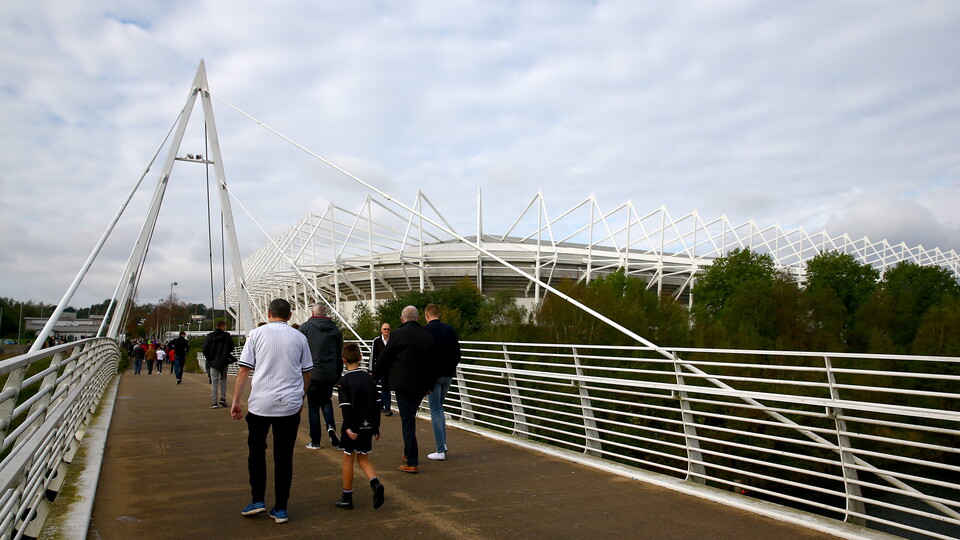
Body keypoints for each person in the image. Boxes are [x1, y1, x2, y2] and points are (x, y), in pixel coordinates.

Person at [231, 298, 312, 525]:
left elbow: (244, 370)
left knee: (256, 452)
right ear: (289, 315)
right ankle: (281, 508)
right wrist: (300, 398)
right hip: (289, 405)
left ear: (268, 313)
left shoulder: (256, 335)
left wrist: (236, 401)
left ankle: (257, 500)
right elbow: (307, 373)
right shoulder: (300, 337)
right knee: (284, 457)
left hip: (260, 405)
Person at [373, 305, 437, 473]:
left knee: (407, 422)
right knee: (410, 418)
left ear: (402, 319)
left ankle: (412, 461)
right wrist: (430, 386)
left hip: (402, 385)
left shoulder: (396, 334)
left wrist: (374, 376)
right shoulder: (428, 336)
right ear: (417, 318)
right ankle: (408, 452)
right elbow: (434, 365)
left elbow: (384, 357)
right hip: (420, 386)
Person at [334, 343, 385, 510]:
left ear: (343, 360)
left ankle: (347, 497)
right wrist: (376, 426)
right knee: (363, 458)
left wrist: (348, 427)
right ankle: (375, 483)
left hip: (353, 426)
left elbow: (346, 406)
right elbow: (377, 403)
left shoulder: (344, 381)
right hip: (368, 424)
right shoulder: (369, 378)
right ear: (361, 358)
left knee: (348, 458)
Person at [299, 303, 343, 449]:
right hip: (329, 373)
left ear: (312, 312)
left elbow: (297, 350)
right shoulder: (335, 330)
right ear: (326, 314)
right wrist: (338, 374)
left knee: (313, 407)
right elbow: (339, 354)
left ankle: (315, 441)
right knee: (326, 401)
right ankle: (331, 427)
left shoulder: (305, 328)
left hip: (311, 373)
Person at [423, 303, 461, 461]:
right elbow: (457, 353)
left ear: (427, 316)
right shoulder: (449, 329)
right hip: (448, 375)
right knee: (440, 408)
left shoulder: (425, 331)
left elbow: (423, 355)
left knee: (435, 410)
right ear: (439, 314)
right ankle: (443, 445)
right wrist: (450, 368)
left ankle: (440, 450)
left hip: (433, 377)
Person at [203, 319, 237, 409]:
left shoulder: (210, 336)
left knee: (214, 382)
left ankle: (214, 402)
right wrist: (225, 354)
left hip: (213, 362)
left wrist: (210, 358)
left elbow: (205, 348)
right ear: (222, 326)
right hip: (224, 361)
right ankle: (223, 398)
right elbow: (231, 347)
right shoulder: (227, 336)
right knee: (223, 380)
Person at [370, 322, 393, 416]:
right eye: (385, 329)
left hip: (390, 369)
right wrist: (370, 370)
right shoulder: (377, 341)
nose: (386, 331)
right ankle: (382, 405)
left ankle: (387, 408)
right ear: (381, 330)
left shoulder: (393, 340)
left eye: (388, 329)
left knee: (386, 388)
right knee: (378, 388)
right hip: (379, 368)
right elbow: (372, 356)